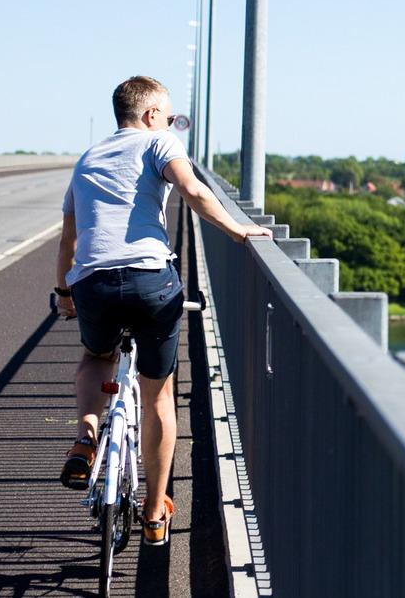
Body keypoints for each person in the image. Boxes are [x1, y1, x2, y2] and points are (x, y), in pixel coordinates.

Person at [53, 75, 270, 546]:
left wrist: (63, 293)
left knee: (96, 357)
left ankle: (87, 436)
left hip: (91, 280)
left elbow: (69, 239)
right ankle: (154, 512)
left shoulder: (86, 159)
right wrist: (237, 230)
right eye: (169, 117)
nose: (172, 124)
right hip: (151, 280)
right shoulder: (159, 143)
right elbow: (192, 191)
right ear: (152, 116)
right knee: (158, 396)